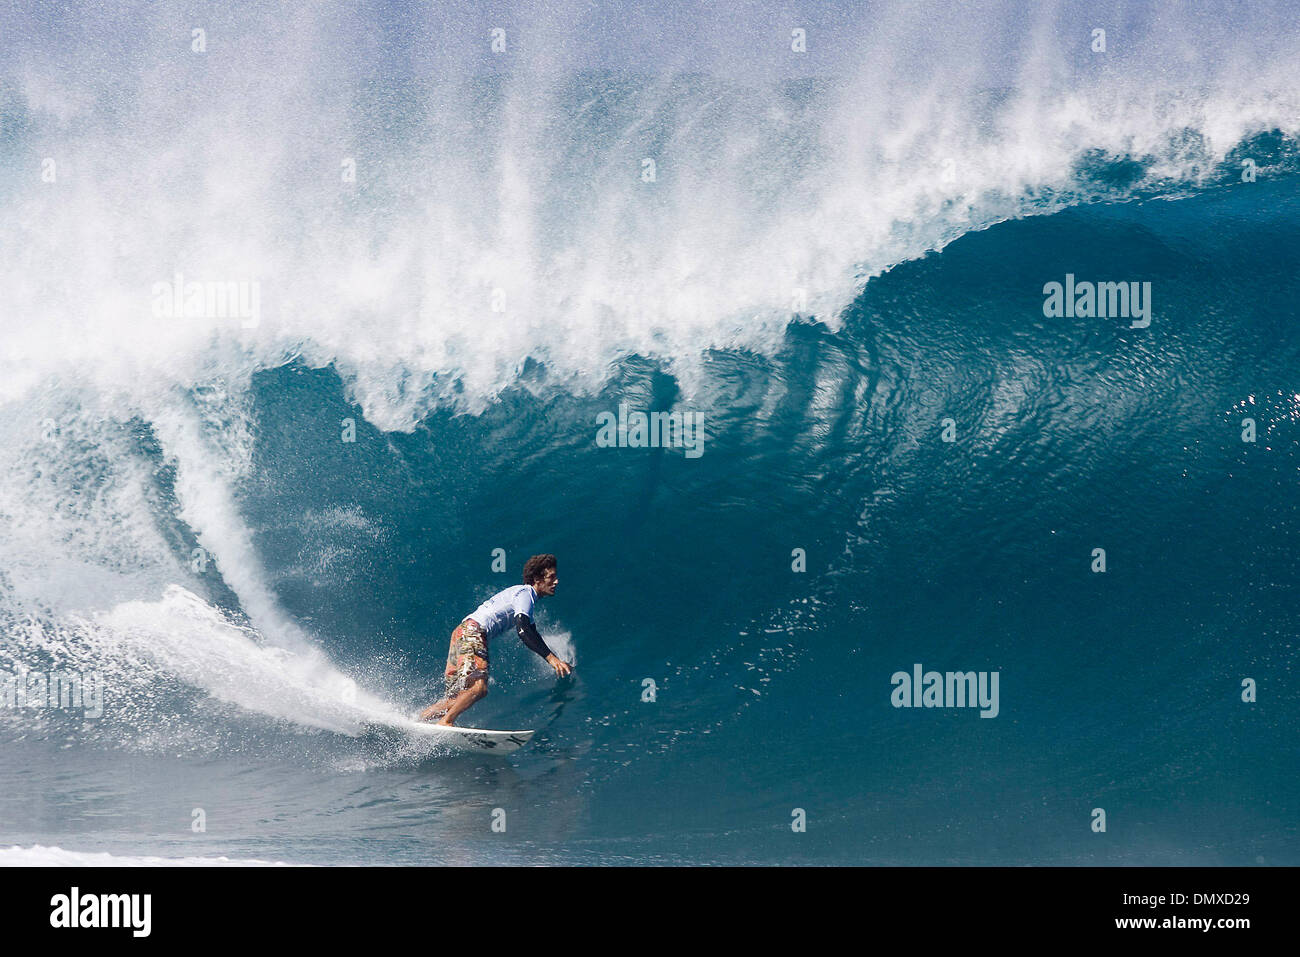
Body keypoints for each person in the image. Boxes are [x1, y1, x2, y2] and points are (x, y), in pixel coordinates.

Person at [419, 554, 571, 726]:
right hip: (473, 632)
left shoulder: (520, 596)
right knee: (479, 688)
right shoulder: (526, 594)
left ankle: (418, 721)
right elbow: (523, 630)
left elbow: (532, 632)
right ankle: (446, 722)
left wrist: (554, 659)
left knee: (456, 698)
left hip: (461, 632)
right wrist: (551, 659)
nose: (556, 581)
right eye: (551, 577)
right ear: (537, 579)